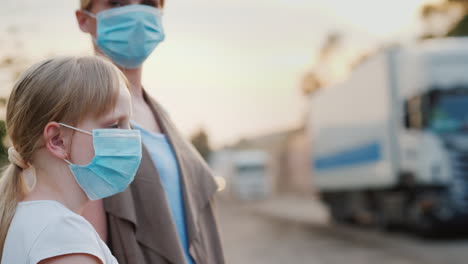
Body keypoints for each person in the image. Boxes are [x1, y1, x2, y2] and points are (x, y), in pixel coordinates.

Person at [75, 1, 225, 263]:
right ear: (84, 20)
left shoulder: (160, 113)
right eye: (118, 2)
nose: (135, 13)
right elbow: (88, 245)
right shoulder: (82, 114)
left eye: (148, 2)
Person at [0, 56, 141, 264]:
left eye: (128, 124)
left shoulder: (27, 219)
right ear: (58, 140)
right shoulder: (63, 234)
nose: (128, 136)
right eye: (114, 126)